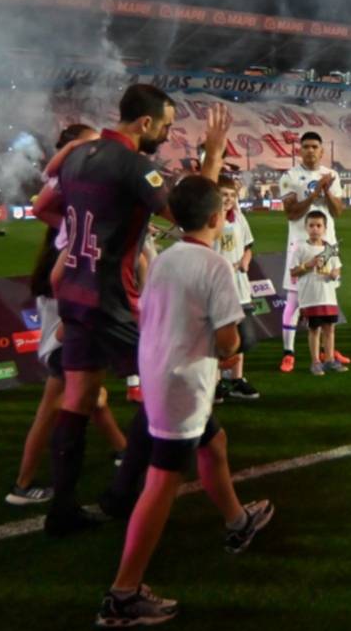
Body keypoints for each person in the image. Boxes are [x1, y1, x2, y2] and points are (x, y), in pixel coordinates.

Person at [42, 84, 229, 536]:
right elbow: (188, 215)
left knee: (78, 398)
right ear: (144, 123)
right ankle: (122, 496)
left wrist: (84, 236)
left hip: (75, 293)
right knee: (163, 386)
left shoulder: (76, 154)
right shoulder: (133, 165)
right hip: (111, 300)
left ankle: (61, 508)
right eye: (164, 127)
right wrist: (214, 154)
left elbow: (45, 208)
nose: (164, 136)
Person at [95, 176, 275, 629]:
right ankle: (123, 593)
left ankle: (237, 521)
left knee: (214, 443)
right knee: (161, 484)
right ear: (219, 218)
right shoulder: (215, 265)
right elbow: (228, 341)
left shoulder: (165, 258)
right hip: (185, 384)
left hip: (160, 373)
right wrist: (233, 342)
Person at [6, 124, 129, 507]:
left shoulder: (77, 198)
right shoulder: (70, 188)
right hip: (70, 308)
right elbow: (44, 206)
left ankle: (126, 452)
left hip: (73, 304)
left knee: (90, 394)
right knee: (58, 399)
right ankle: (23, 484)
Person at [278, 131, 344, 372]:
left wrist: (326, 190)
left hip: (327, 247)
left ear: (322, 150)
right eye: (305, 146)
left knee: (327, 296)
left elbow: (338, 212)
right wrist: (315, 193)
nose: (310, 150)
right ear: (299, 150)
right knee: (294, 301)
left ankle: (327, 353)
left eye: (315, 146)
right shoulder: (290, 176)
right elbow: (291, 212)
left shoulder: (332, 175)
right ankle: (289, 352)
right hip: (300, 246)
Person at [213, 177, 260, 401]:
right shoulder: (209, 220)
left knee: (244, 337)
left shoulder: (239, 218)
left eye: (232, 195)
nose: (229, 199)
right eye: (224, 195)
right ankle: (215, 383)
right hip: (218, 289)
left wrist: (246, 260)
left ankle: (236, 380)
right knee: (219, 338)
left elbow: (249, 245)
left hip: (240, 286)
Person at [289, 210, 345, 376]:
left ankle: (329, 360)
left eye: (318, 225)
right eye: (311, 225)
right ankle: (315, 362)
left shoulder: (329, 248)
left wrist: (336, 273)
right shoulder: (301, 248)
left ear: (325, 228)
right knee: (314, 330)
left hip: (328, 296)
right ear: (306, 228)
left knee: (330, 329)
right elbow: (293, 271)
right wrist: (308, 264)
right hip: (311, 297)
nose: (315, 229)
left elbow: (337, 266)